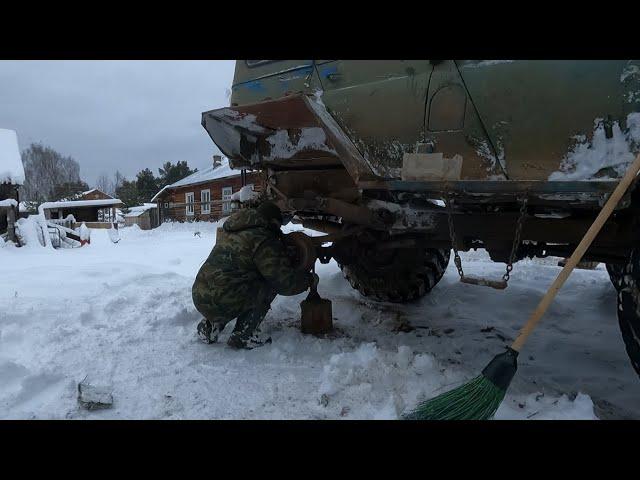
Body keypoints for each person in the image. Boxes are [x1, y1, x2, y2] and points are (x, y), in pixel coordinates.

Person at [192, 200, 318, 349]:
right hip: (224, 298)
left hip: (200, 295)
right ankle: (244, 335)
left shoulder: (233, 230)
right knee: (268, 284)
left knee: (229, 284)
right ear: (272, 222)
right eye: (278, 225)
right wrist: (308, 280)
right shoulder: (262, 238)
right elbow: (284, 283)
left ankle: (209, 327)